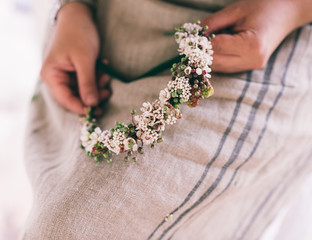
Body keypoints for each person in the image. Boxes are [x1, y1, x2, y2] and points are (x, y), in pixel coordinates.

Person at [23, 0, 312, 239]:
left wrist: (290, 9)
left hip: (255, 30)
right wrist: (70, 8)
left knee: (83, 226)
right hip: (103, 22)